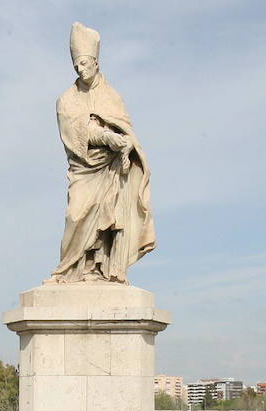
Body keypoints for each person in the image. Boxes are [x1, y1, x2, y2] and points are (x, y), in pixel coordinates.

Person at [49, 22, 155, 284]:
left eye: (84, 63)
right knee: (76, 214)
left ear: (96, 62)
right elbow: (76, 134)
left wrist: (127, 144)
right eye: (76, 65)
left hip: (110, 170)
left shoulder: (112, 96)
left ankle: (99, 268)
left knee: (109, 220)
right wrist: (108, 137)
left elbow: (126, 130)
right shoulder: (66, 99)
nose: (80, 69)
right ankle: (69, 269)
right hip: (85, 169)